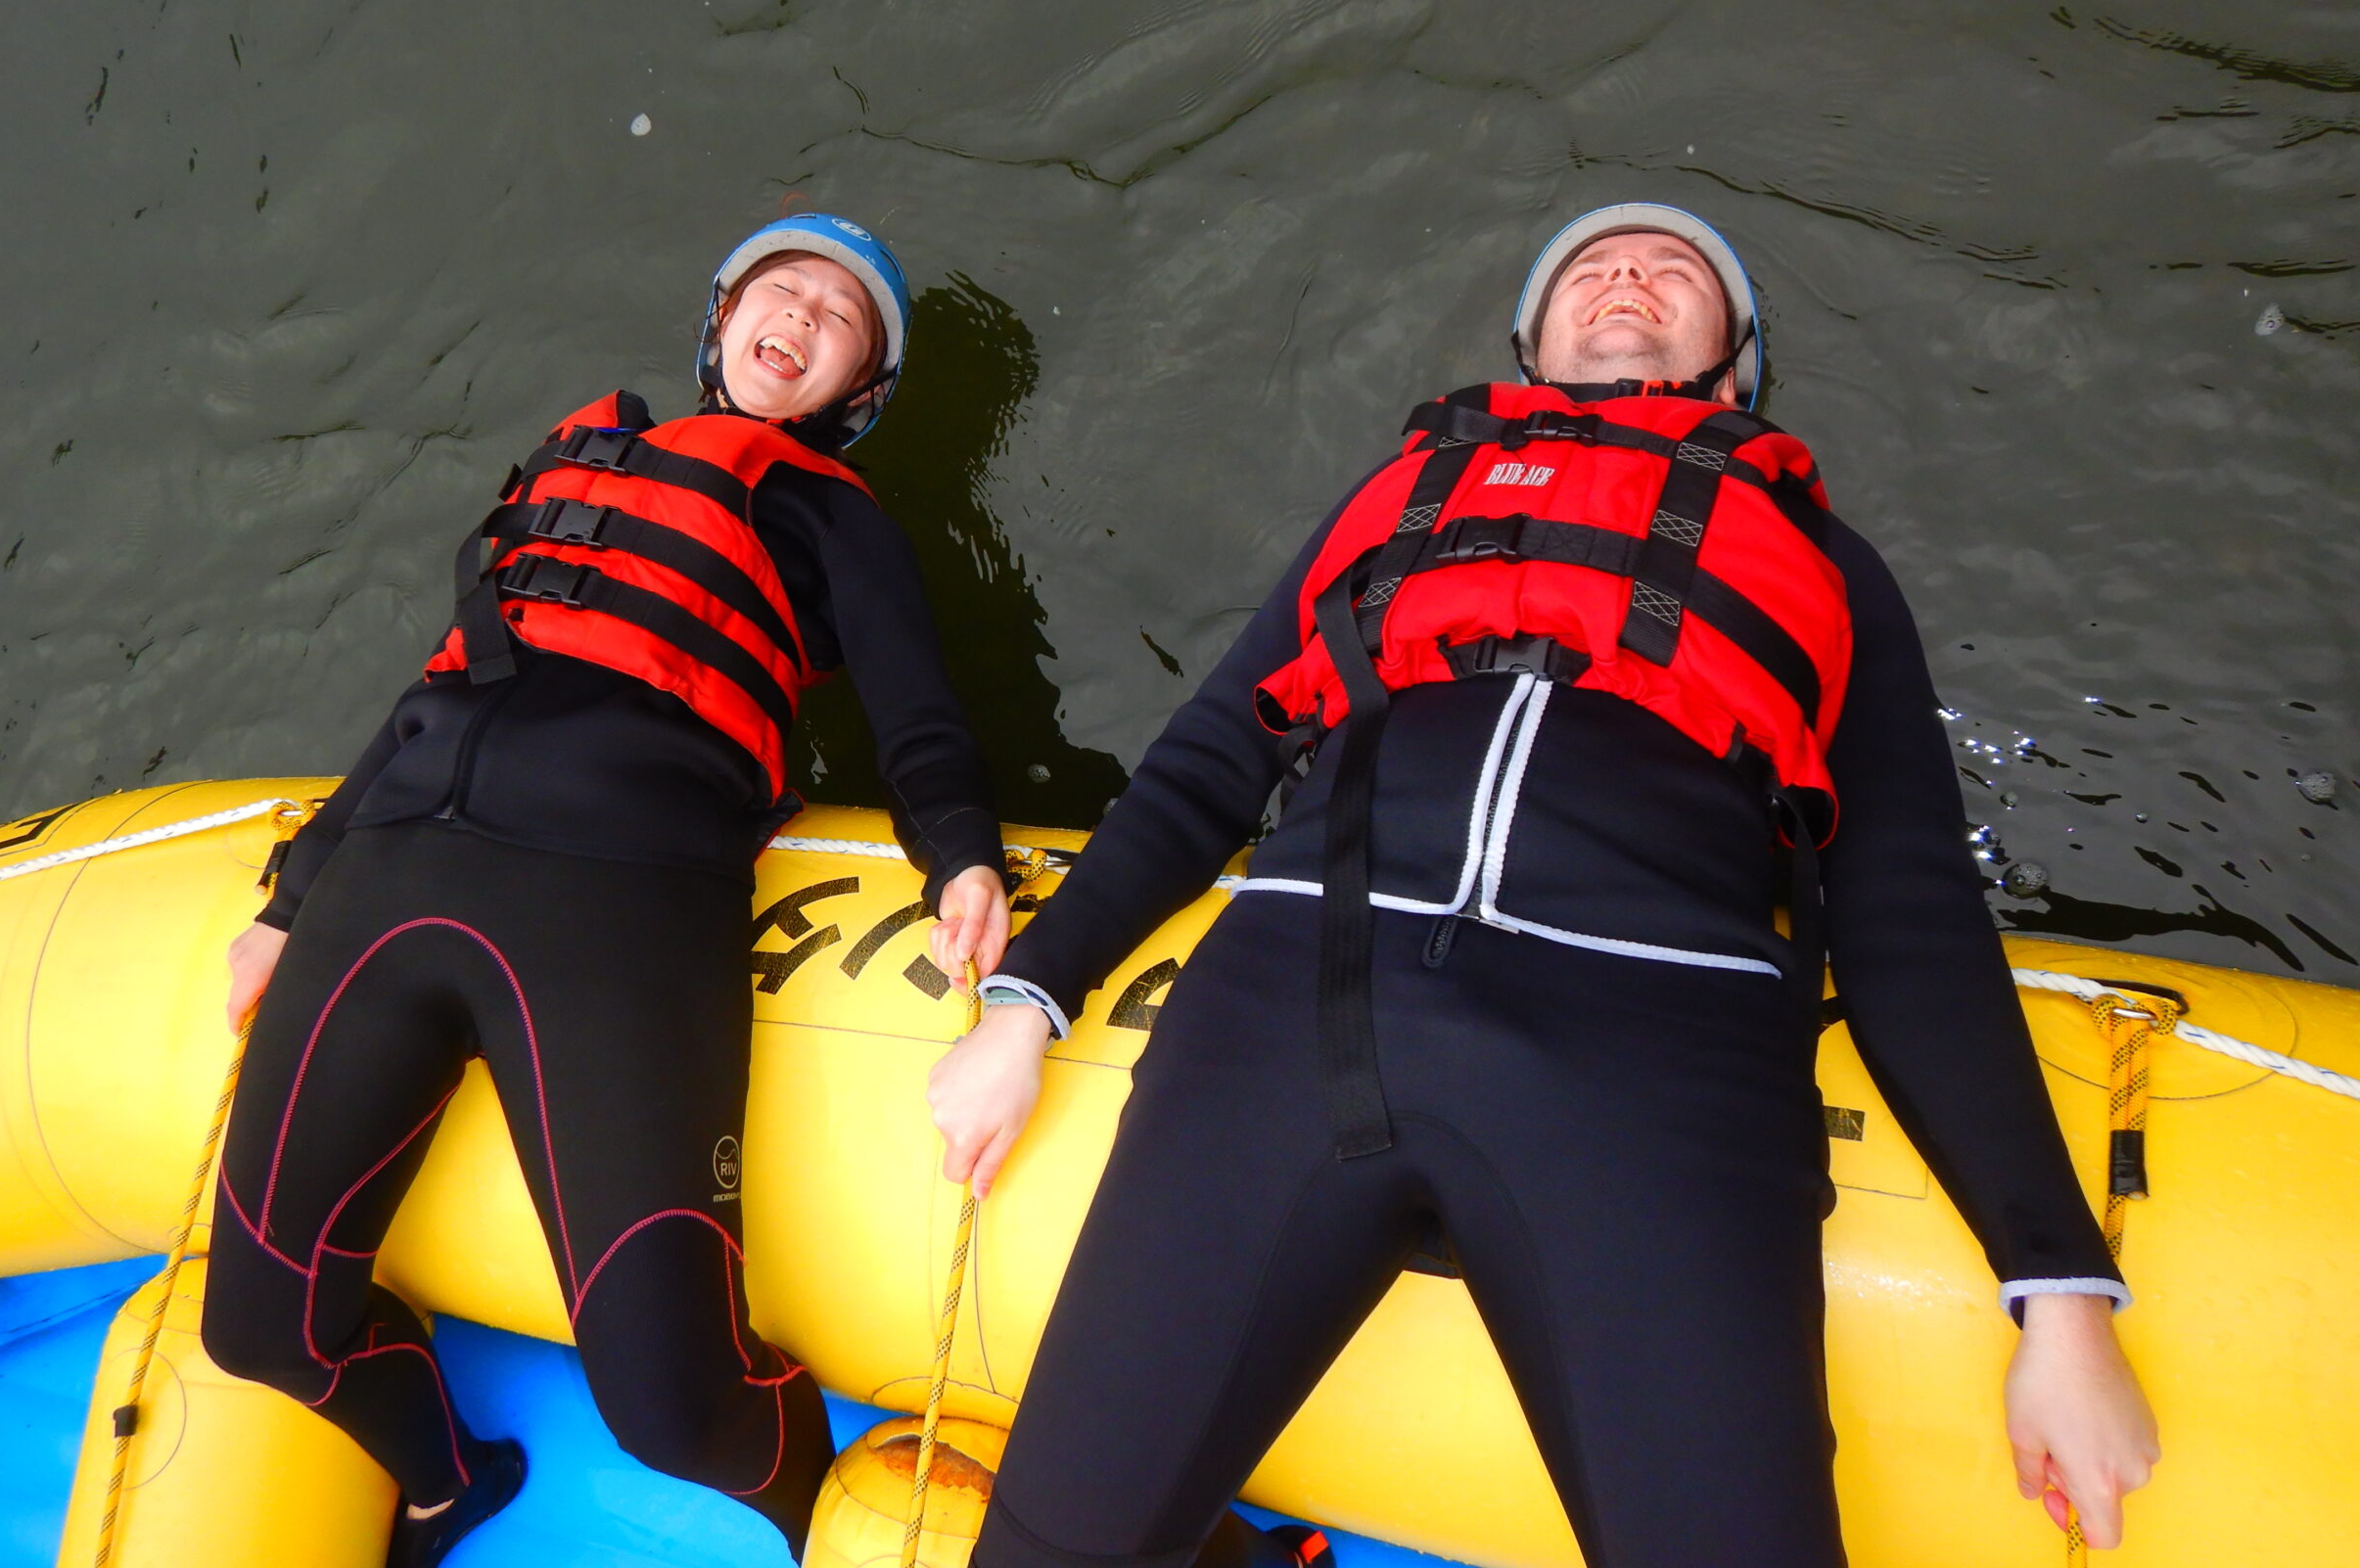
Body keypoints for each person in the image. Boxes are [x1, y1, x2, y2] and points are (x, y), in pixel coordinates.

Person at [929, 205, 2160, 1568]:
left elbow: (1909, 908)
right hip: (1296, 1004)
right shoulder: (1399, 496)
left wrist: (2057, 1291)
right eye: (1591, 267)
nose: (1628, 274)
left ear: (1736, 364)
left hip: (1652, 1060)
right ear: (1532, 344)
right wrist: (1027, 999)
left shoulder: (1830, 564)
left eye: (1675, 270)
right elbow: (1213, 757)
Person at [203, 213, 1013, 1566]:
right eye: (781, 289)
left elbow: (916, 713)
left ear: (858, 392)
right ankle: (447, 1482)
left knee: (674, 1414)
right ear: (722, 319)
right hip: (391, 877)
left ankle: (818, 1526)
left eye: (840, 319)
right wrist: (293, 900)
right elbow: (433, 687)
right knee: (258, 1332)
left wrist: (963, 850)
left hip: (616, 905)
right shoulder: (576, 462)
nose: (802, 316)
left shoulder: (830, 515)